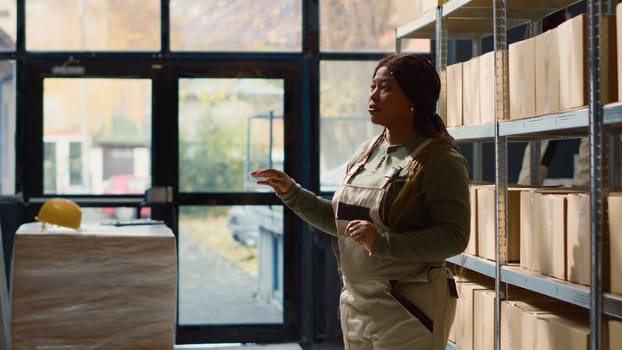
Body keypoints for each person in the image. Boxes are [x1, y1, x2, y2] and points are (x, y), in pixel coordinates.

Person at [251, 53, 470, 350]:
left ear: (413, 99)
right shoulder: (366, 153)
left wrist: (381, 243)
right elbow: (340, 223)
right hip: (357, 304)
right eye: (372, 86)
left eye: (386, 87)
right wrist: (292, 193)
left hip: (410, 308)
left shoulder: (440, 160)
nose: (372, 95)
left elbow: (453, 238)